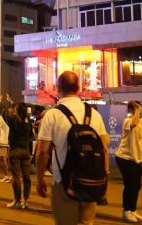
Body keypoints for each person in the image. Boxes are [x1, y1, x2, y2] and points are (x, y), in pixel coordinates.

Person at [34, 71, 109, 225]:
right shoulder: (94, 114)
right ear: (78, 87)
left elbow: (42, 152)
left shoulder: (53, 114)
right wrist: (103, 181)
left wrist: (40, 179)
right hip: (91, 181)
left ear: (58, 88)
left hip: (63, 182)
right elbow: (104, 150)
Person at [3, 101, 33, 211]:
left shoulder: (13, 119)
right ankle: (26, 200)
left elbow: (4, 113)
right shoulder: (28, 121)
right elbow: (31, 135)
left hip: (15, 150)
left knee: (16, 177)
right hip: (25, 151)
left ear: (16, 110)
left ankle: (17, 200)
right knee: (26, 177)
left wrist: (0, 102)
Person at [0, 102, 11, 183]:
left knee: (3, 159)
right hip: (7, 140)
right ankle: (9, 175)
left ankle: (6, 175)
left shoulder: (0, 118)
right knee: (6, 159)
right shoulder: (8, 118)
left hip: (1, 141)